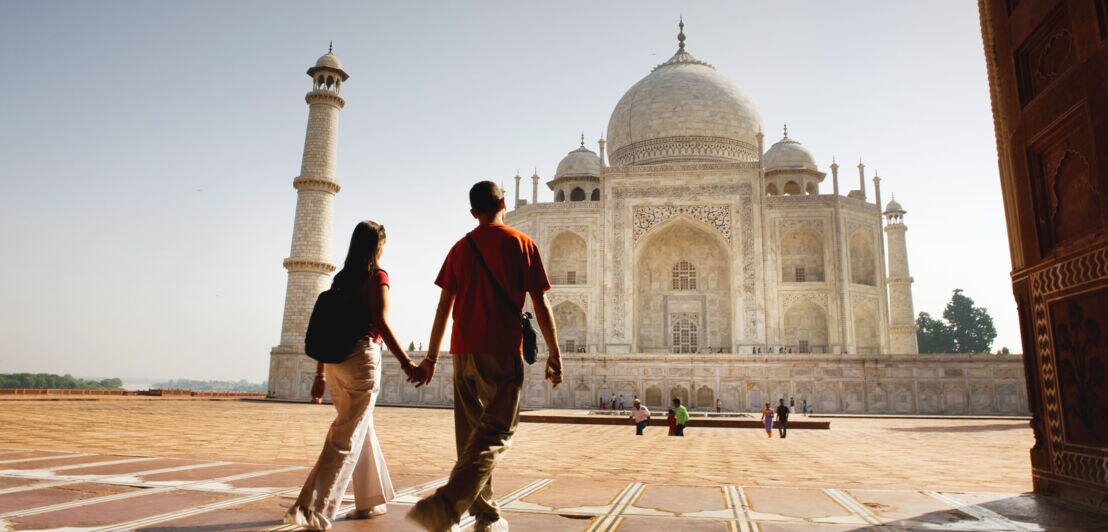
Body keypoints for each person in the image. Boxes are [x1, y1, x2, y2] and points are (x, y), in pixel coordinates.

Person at [407, 181, 563, 532]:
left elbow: (443, 308)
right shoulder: (522, 244)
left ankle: (486, 515)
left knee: (471, 436)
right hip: (502, 350)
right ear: (504, 203)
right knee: (496, 434)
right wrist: (554, 352)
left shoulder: (460, 248)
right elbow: (540, 302)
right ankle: (445, 506)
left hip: (462, 350)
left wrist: (432, 357)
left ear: (473, 212)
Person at [284, 221, 420, 531]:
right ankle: (313, 509)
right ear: (377, 246)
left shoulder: (341, 279)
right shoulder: (377, 276)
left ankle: (370, 500)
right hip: (361, 359)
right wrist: (407, 363)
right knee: (345, 437)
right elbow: (381, 324)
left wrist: (319, 374)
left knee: (360, 430)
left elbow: (328, 325)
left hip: (335, 363)